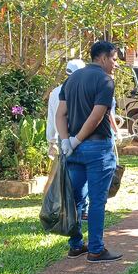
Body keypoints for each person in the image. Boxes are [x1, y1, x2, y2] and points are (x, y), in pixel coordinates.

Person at [57, 40, 121, 263]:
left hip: (74, 151)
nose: (115, 64)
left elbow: (60, 115)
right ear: (102, 58)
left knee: (75, 198)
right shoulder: (105, 80)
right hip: (97, 148)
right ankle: (95, 249)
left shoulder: (71, 79)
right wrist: (75, 140)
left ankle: (75, 245)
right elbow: (97, 116)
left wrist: (67, 141)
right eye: (113, 59)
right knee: (97, 200)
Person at [46, 59, 86, 196]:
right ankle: (79, 203)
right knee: (82, 171)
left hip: (62, 137)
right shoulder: (84, 90)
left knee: (68, 171)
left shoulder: (55, 92)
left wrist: (51, 140)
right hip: (81, 135)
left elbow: (52, 118)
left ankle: (68, 200)